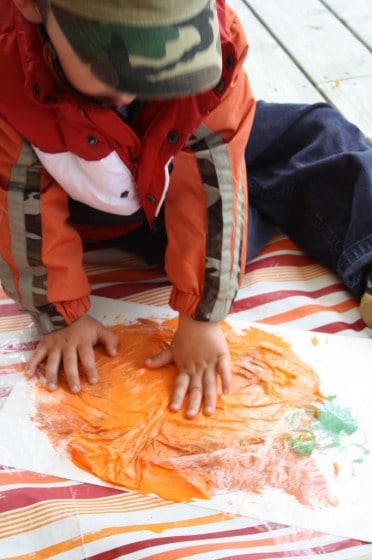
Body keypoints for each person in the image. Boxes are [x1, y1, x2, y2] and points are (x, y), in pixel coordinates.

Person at [0, 1, 371, 420]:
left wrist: (200, 314)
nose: (127, 92)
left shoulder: (218, 46)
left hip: (170, 167)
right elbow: (18, 201)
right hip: (88, 210)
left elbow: (216, 167)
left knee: (320, 132)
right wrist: (61, 315)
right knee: (238, 218)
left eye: (158, 61)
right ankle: (256, 206)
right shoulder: (7, 71)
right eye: (106, 59)